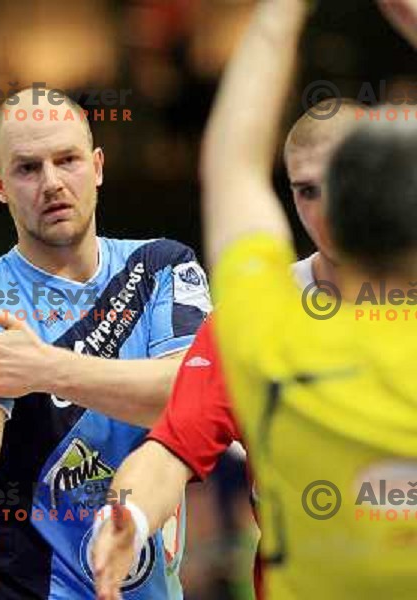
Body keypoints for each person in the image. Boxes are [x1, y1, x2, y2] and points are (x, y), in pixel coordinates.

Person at [92, 0, 417, 598]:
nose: (324, 211)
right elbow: (172, 449)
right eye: (305, 190)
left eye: (335, 186)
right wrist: (133, 515)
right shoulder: (262, 313)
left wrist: (278, 15)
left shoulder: (259, 320)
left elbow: (232, 165)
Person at [0, 87, 211, 599]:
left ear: (97, 166)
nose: (52, 182)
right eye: (28, 169)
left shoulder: (162, 266)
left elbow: (194, 399)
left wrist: (47, 369)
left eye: (68, 160)